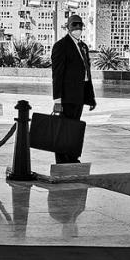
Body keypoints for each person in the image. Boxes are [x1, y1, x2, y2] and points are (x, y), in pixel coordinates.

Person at [51, 15, 97, 163]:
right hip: (66, 97)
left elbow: (86, 74)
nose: (78, 28)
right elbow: (57, 75)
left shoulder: (83, 46)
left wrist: (90, 98)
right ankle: (62, 159)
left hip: (79, 95)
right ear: (68, 27)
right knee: (64, 128)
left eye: (80, 25)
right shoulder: (61, 46)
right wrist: (57, 100)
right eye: (74, 25)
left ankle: (72, 157)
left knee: (74, 128)